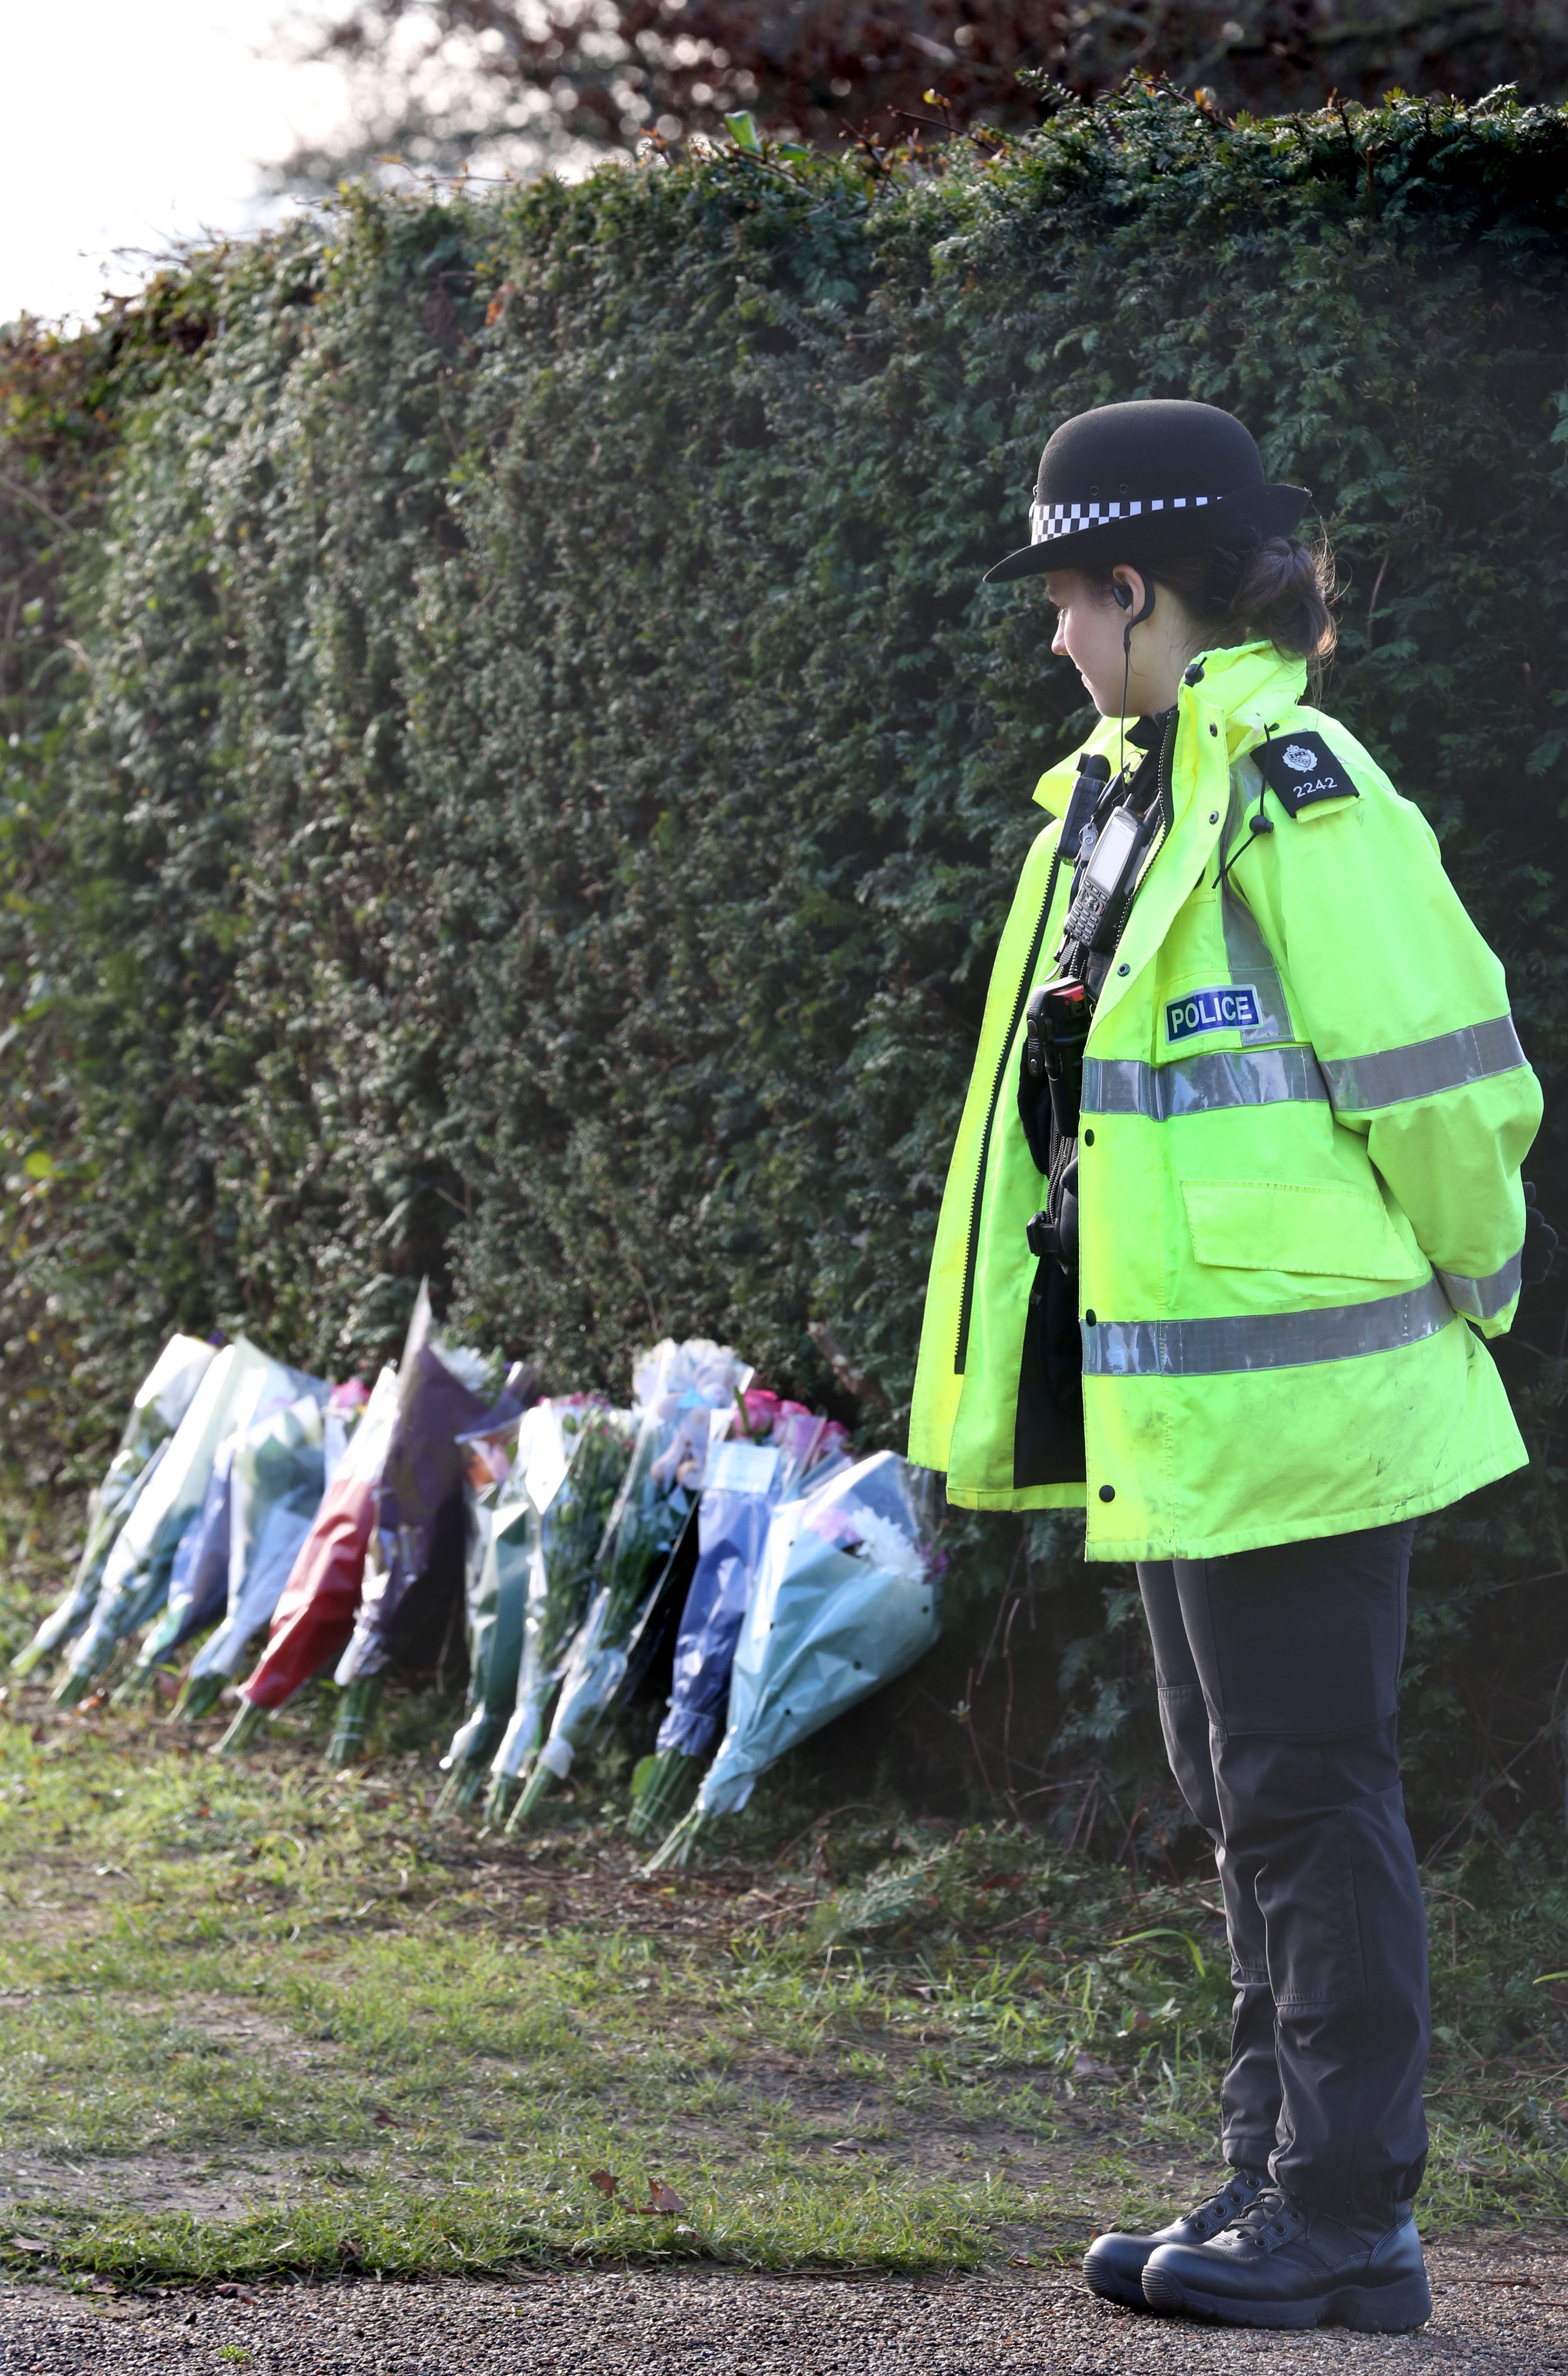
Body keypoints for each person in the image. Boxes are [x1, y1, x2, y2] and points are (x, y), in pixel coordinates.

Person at [907, 399, 1548, 2331]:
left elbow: (1442, 1073)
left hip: (1302, 1401)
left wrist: (1477, 1284)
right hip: (1202, 1407)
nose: (1049, 640)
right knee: (1243, 1782)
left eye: (1063, 599)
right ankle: (1276, 2179)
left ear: (1138, 587)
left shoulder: (1289, 783)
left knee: (1299, 1784)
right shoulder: (1128, 797)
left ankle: (1343, 2215)